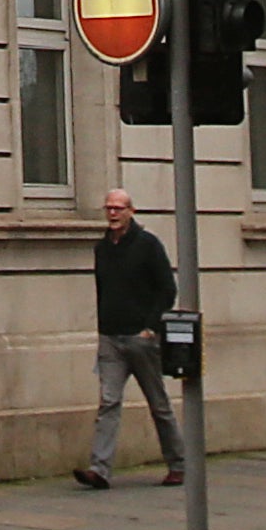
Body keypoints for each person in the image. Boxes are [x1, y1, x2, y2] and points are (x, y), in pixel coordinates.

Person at [81, 186, 183, 487]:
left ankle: (178, 463)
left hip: (141, 339)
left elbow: (168, 289)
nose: (113, 213)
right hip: (111, 339)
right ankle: (99, 469)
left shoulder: (148, 245)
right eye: (109, 208)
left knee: (158, 404)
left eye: (119, 208)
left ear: (131, 211)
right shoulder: (102, 249)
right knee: (108, 403)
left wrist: (151, 327)